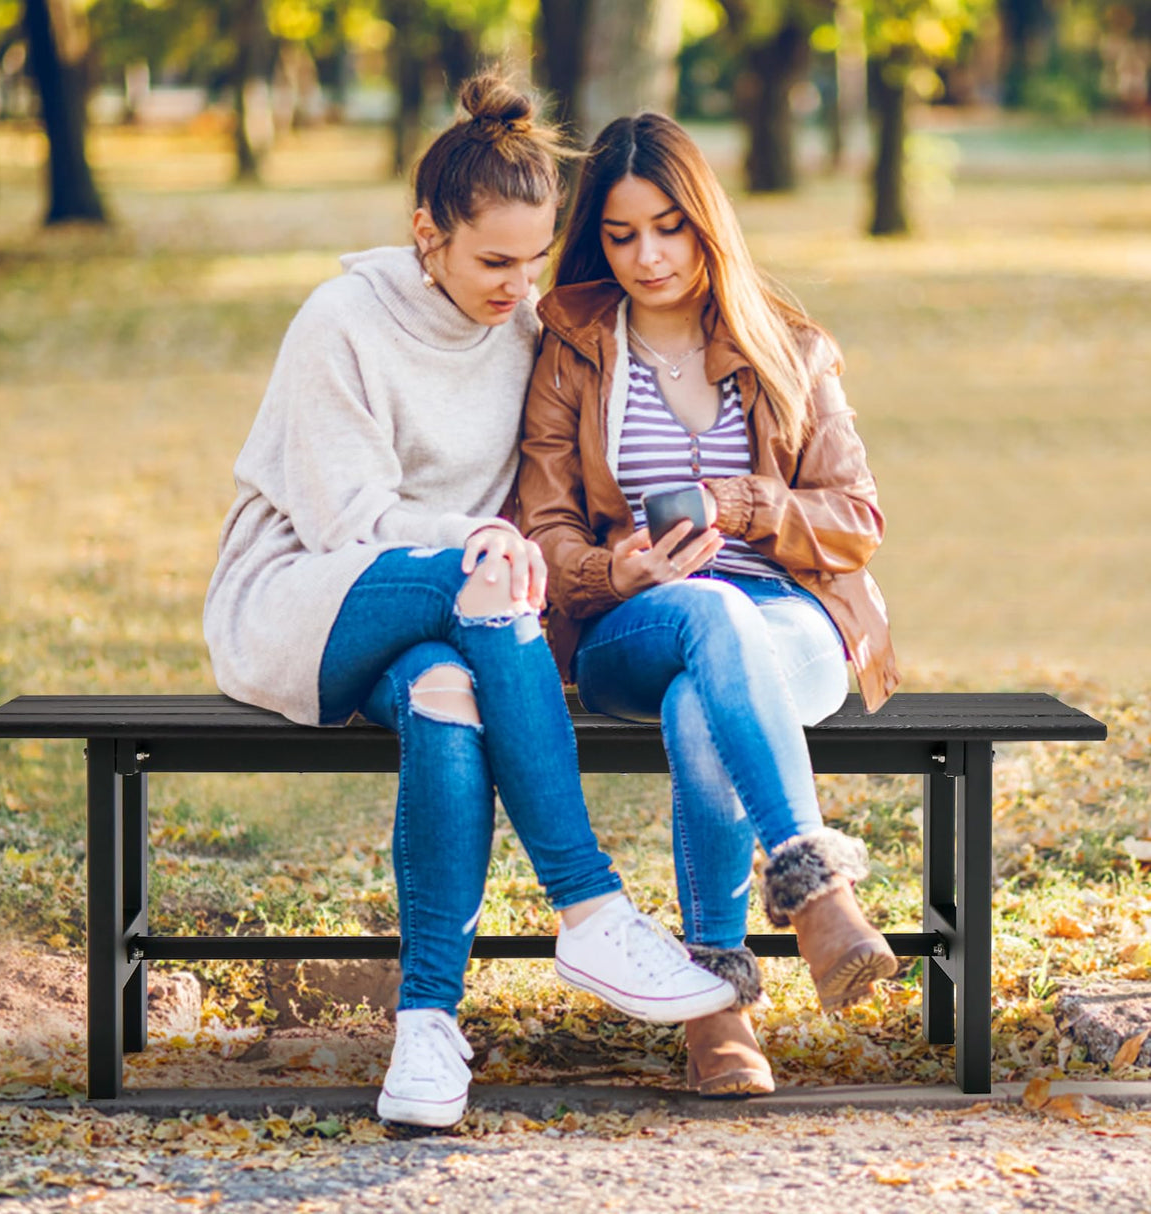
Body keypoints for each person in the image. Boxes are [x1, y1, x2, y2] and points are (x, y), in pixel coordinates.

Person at [203, 80, 737, 1128]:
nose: (516, 287)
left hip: (460, 616)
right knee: (479, 583)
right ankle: (587, 904)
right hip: (303, 599)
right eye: (493, 261)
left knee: (447, 694)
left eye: (533, 260)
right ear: (425, 233)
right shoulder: (340, 322)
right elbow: (348, 522)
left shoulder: (527, 329)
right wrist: (476, 544)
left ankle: (424, 1030)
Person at [518, 112, 902, 1098]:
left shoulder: (788, 346)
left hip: (789, 621)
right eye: (619, 233)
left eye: (668, 227)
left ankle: (714, 1006)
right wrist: (618, 572)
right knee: (704, 620)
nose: (646, 256)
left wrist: (749, 506)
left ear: (705, 222)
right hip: (634, 625)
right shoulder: (571, 346)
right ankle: (815, 892)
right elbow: (545, 525)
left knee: (708, 690)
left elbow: (855, 515)